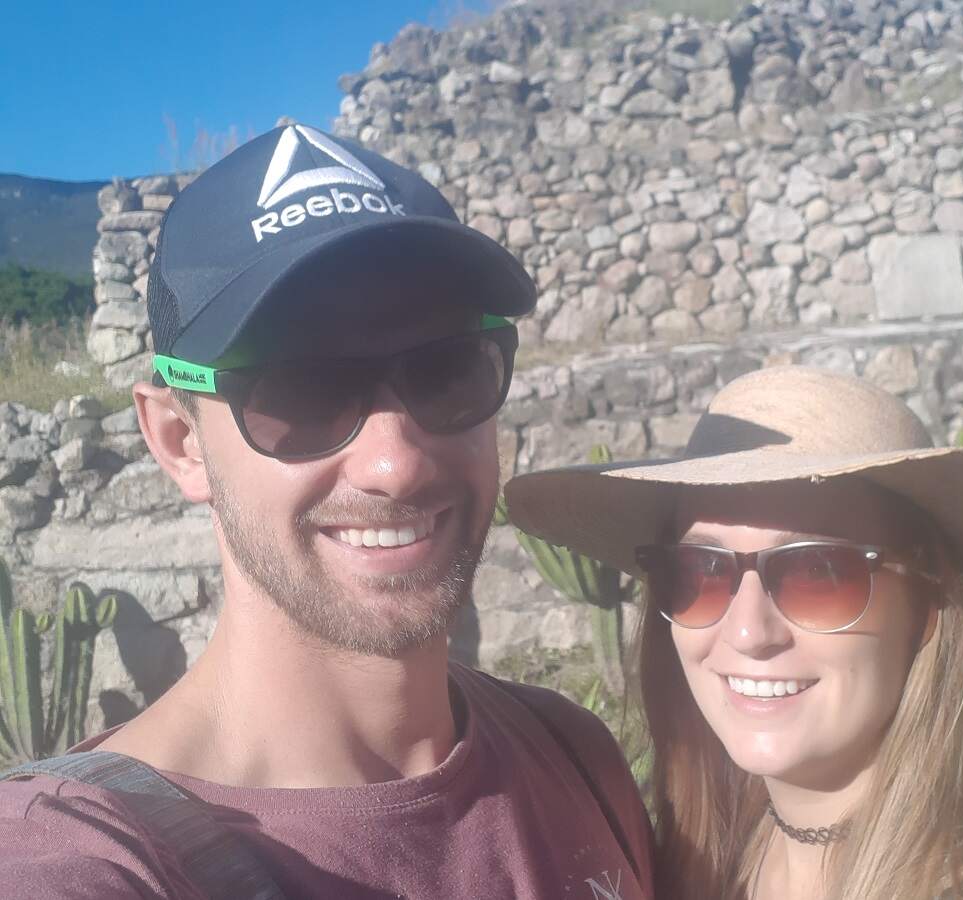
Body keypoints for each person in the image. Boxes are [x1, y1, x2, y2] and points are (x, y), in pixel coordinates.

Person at [0, 124, 653, 899]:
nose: (395, 462)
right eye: (300, 387)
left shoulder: (577, 754)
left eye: (446, 369)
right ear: (179, 440)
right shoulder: (84, 859)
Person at [505, 365, 963, 900]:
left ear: (929, 607)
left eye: (817, 571)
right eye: (701, 572)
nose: (748, 631)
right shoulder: (664, 869)